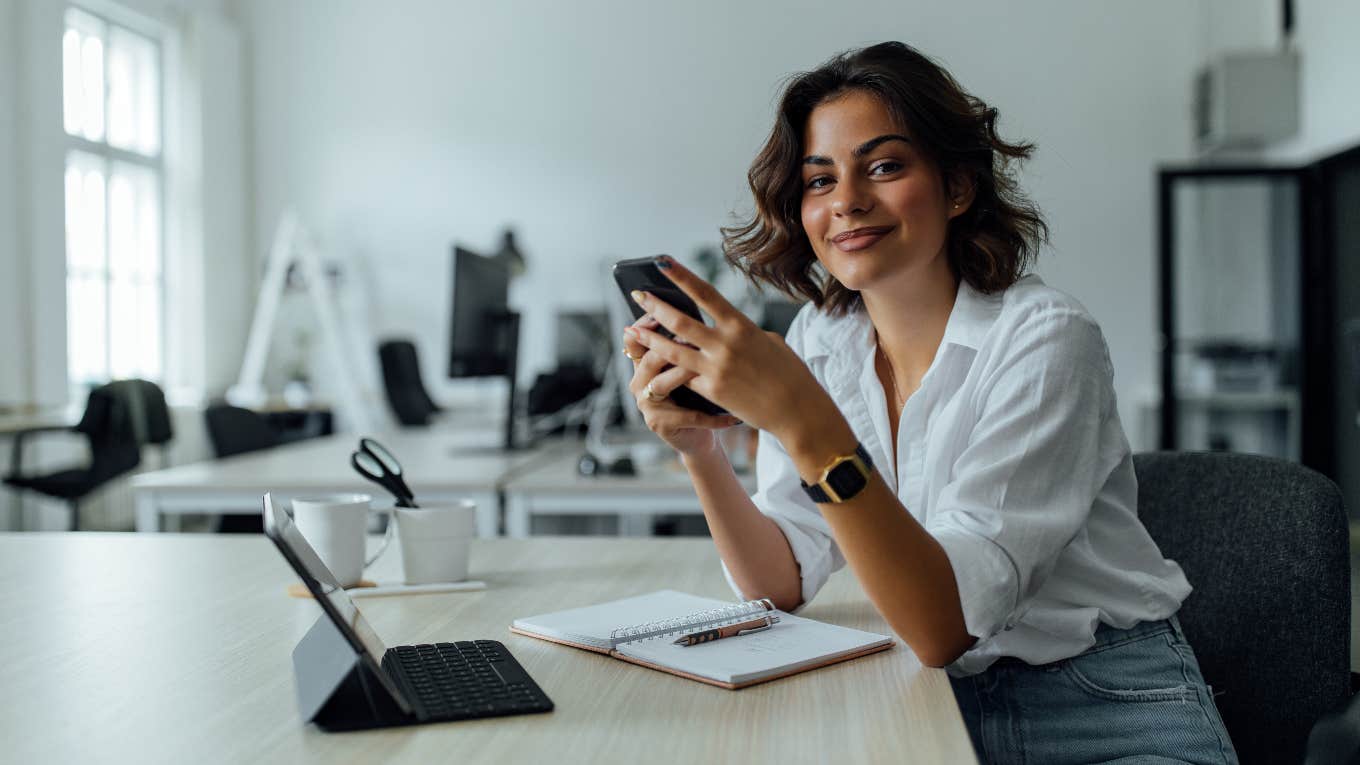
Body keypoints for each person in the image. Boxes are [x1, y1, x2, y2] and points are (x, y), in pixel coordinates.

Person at [620, 42, 1237, 764]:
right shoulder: (822, 336)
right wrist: (701, 452)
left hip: (1104, 703)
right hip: (930, 696)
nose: (847, 200)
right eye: (820, 180)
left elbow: (946, 623)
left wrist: (801, 417)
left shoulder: (1046, 339)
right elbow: (780, 577)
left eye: (883, 166)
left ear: (956, 187)